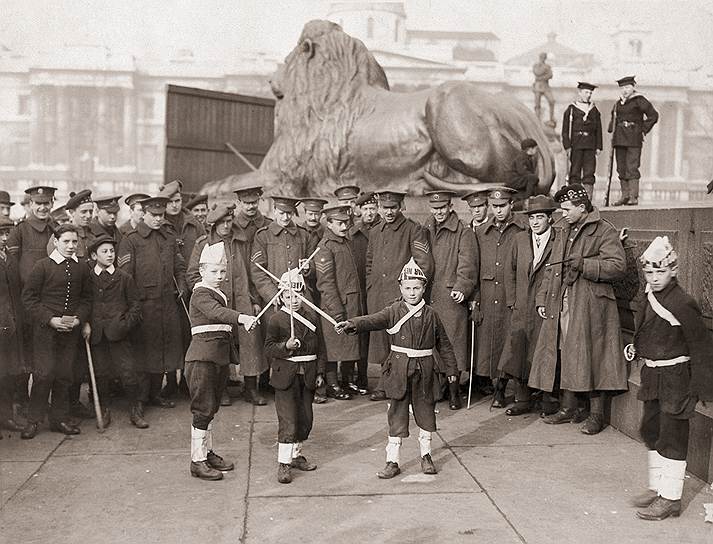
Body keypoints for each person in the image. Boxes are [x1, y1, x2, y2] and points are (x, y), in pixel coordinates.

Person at [336, 258, 457, 478]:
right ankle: (392, 461)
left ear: (424, 288)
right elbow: (373, 320)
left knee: (426, 413)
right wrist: (353, 323)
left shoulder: (432, 314)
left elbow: (444, 344)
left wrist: (451, 370)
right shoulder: (393, 311)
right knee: (397, 414)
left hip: (425, 371)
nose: (412, 293)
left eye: (417, 288)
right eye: (408, 288)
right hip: (399, 371)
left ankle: (426, 456)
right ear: (400, 288)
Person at [530, 184, 628, 435]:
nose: (562, 214)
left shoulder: (604, 229)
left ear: (582, 208)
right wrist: (542, 298)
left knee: (593, 356)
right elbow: (552, 267)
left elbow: (617, 266)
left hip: (592, 306)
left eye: (566, 209)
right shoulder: (564, 229)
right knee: (565, 351)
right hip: (565, 300)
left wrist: (585, 264)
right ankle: (568, 406)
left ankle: (597, 415)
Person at [629, 237, 713, 521]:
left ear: (673, 270)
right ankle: (657, 487)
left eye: (660, 272)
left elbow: (700, 345)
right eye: (649, 273)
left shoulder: (683, 302)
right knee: (650, 430)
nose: (654, 278)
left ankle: (670, 498)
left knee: (672, 436)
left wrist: (703, 387)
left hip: (676, 378)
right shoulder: (649, 295)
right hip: (652, 374)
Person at [186, 241, 256, 480]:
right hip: (202, 360)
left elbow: (222, 329)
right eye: (214, 271)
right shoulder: (200, 294)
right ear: (202, 271)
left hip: (216, 359)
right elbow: (217, 314)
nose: (219, 276)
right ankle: (197, 460)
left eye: (223, 271)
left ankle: (206, 452)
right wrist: (242, 317)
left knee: (211, 408)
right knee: (202, 409)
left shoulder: (218, 294)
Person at [187, 204, 268, 406]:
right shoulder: (203, 243)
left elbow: (253, 271)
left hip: (242, 299)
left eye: (229, 221)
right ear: (214, 224)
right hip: (216, 300)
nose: (226, 226)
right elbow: (192, 274)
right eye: (221, 222)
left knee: (251, 343)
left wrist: (255, 299)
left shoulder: (241, 241)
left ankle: (251, 387)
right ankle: (221, 389)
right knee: (219, 342)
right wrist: (207, 294)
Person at [20, 224, 92, 439]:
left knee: (64, 375)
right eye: (66, 242)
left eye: (74, 242)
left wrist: (79, 318)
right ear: (55, 241)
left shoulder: (81, 267)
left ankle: (59, 419)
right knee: (43, 375)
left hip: (70, 332)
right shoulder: (43, 266)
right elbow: (29, 298)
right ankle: (34, 420)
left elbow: (87, 298)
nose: (71, 246)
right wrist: (50, 319)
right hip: (46, 332)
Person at [117, 196, 187, 410]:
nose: (158, 219)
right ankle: (139, 399)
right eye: (154, 215)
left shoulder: (168, 238)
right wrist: (131, 305)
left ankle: (156, 393)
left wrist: (182, 286)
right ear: (144, 214)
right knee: (144, 351)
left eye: (161, 215)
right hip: (144, 306)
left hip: (167, 303)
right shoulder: (131, 239)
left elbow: (179, 266)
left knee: (164, 350)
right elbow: (124, 276)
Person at [365, 191, 434, 402]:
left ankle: (399, 383)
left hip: (401, 295)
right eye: (384, 208)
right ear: (379, 208)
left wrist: (411, 292)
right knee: (381, 340)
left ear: (401, 206)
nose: (389, 212)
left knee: (400, 340)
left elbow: (424, 264)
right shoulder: (375, 232)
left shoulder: (413, 229)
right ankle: (383, 382)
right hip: (378, 294)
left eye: (393, 207)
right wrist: (371, 286)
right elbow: (369, 263)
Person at [498, 195, 558, 417]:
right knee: (520, 351)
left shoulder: (558, 240)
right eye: (532, 217)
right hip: (522, 305)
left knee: (544, 350)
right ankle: (522, 398)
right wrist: (512, 301)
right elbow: (509, 271)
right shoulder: (520, 239)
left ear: (549, 219)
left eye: (540, 217)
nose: (535, 222)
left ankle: (546, 399)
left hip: (544, 305)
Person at [264, 268, 324, 484]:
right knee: (288, 419)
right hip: (285, 377)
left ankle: (296, 455)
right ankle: (284, 463)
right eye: (289, 296)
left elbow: (321, 347)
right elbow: (269, 348)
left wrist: (319, 371)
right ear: (281, 296)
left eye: (298, 296)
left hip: (306, 375)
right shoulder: (276, 319)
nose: (294, 300)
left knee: (305, 418)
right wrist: (286, 346)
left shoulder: (312, 317)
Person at [84, 234, 147, 429]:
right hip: (96, 334)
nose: (110, 255)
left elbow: (136, 306)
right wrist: (85, 323)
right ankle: (104, 408)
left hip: (119, 334)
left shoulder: (124, 278)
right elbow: (83, 303)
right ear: (94, 255)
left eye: (112, 251)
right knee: (101, 373)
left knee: (128, 372)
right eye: (104, 251)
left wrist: (124, 324)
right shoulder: (87, 278)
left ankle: (135, 409)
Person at [473, 187, 528, 407]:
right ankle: (495, 385)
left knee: (510, 341)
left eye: (502, 206)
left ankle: (505, 387)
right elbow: (474, 268)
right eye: (494, 207)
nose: (498, 211)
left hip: (511, 293)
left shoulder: (522, 229)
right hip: (488, 295)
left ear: (511, 204)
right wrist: (475, 299)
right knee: (490, 343)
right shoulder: (481, 232)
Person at [423, 191, 478, 410]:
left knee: (453, 346)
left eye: (442, 207)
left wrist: (462, 287)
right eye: (434, 208)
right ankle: (439, 388)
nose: (438, 212)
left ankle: (455, 392)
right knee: (431, 344)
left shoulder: (463, 231)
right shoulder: (425, 229)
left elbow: (468, 264)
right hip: (429, 295)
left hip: (450, 296)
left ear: (450, 206)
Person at [7, 186, 58, 418]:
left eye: (46, 203)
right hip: (25, 303)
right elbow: (12, 270)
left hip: (50, 304)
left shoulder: (56, 230)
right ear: (30, 205)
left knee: (45, 356)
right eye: (38, 203)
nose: (43, 207)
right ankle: (22, 401)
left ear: (52, 204)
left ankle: (41, 403)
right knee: (25, 354)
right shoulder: (19, 231)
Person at [315, 205, 365, 399]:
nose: (345, 226)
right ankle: (333, 384)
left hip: (351, 303)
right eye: (340, 223)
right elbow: (325, 283)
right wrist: (337, 312)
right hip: (336, 305)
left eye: (347, 222)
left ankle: (346, 381)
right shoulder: (325, 247)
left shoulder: (346, 242)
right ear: (329, 224)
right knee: (333, 347)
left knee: (348, 345)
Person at [608, 76, 659, 206]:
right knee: (621, 168)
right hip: (619, 139)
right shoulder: (618, 103)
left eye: (627, 87)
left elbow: (653, 115)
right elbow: (613, 120)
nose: (625, 90)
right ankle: (624, 196)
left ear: (633, 87)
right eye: (622, 88)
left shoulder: (639, 100)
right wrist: (611, 131)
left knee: (632, 167)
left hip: (633, 138)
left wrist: (642, 130)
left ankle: (633, 196)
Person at [348, 191, 380, 392]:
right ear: (359, 210)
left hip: (376, 288)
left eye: (372, 208)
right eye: (366, 209)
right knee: (358, 332)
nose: (369, 213)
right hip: (359, 289)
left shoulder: (383, 230)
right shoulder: (353, 233)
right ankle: (360, 378)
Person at [0, 216, 25, 435]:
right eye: (0, 234)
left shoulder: (9, 258)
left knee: (8, 374)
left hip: (12, 325)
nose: (4, 238)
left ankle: (6, 416)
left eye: (7, 234)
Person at [562, 82, 603, 197]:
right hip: (576, 145)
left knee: (589, 172)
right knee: (575, 171)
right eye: (586, 92)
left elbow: (598, 129)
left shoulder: (594, 110)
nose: (588, 95)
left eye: (590, 93)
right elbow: (565, 130)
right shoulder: (571, 109)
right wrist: (567, 146)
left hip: (590, 145)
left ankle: (588, 197)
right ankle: (575, 196)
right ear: (579, 92)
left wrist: (599, 146)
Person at [506, 138, 540, 204]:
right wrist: (533, 177)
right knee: (533, 178)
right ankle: (527, 200)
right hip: (514, 180)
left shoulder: (527, 157)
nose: (536, 150)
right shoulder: (521, 157)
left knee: (533, 178)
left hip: (519, 179)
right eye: (536, 148)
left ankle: (532, 197)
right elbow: (522, 171)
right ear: (530, 149)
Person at [532, 52, 555, 124]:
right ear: (540, 57)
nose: (543, 58)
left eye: (544, 57)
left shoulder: (547, 66)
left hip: (545, 86)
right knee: (537, 104)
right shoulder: (536, 65)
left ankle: (551, 119)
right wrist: (545, 73)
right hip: (538, 86)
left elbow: (550, 75)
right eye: (542, 57)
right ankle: (537, 119)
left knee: (552, 101)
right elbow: (537, 72)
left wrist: (540, 78)